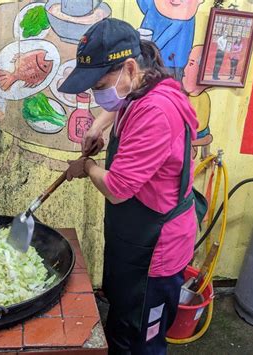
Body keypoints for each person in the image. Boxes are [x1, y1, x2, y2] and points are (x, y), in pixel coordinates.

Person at [59, 18, 199, 354]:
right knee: (123, 320)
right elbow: (121, 100)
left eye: (99, 84)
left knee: (142, 341)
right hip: (135, 240)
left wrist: (86, 167)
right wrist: (98, 124)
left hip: (156, 251)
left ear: (130, 67)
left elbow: (118, 188)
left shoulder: (156, 111)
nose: (97, 93)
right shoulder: (141, 85)